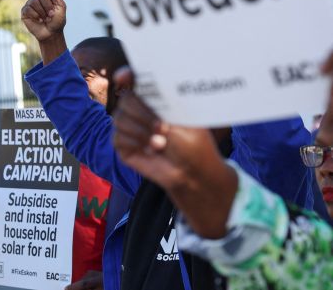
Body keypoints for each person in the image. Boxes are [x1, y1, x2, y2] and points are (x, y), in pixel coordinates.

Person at [20, 0, 314, 290]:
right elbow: (87, 129)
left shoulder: (259, 180)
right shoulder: (160, 169)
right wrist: (51, 42)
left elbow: (278, 144)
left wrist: (233, 36)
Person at [112, 62, 333, 290]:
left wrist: (235, 57)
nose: (326, 167)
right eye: (322, 152)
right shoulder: (313, 260)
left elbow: (277, 148)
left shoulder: (253, 174)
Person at [0, 37, 133, 290]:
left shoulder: (139, 163)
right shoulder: (51, 152)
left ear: (122, 86)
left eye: (82, 76)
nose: (70, 86)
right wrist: (8, 223)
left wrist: (114, 282)